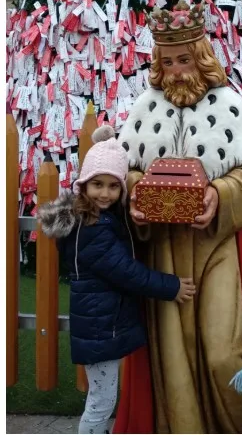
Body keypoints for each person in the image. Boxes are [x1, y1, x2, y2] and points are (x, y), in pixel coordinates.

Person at [116, 0, 242, 433]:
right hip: (163, 254)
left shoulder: (229, 104)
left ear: (201, 56)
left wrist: (219, 195)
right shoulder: (145, 107)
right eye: (167, 62)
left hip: (215, 246)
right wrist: (137, 196)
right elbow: (125, 171)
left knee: (222, 354)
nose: (175, 71)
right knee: (172, 361)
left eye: (183, 60)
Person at [37, 125, 191, 435]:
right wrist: (171, 286)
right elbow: (126, 272)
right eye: (97, 184)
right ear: (84, 185)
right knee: (101, 401)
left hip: (100, 322)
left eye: (113, 186)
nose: (105, 193)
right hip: (99, 328)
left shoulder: (97, 219)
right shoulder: (93, 229)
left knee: (102, 396)